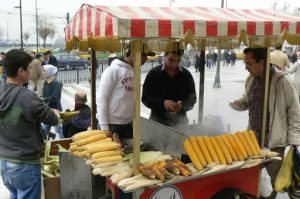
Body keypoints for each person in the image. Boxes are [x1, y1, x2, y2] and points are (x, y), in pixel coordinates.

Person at [229, 47, 300, 199]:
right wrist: (240, 104)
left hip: (273, 140)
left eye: (249, 63)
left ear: (262, 62)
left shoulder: (282, 81)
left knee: (276, 181)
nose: (246, 67)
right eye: (244, 63)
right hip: (252, 137)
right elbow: (248, 101)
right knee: (252, 176)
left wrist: (294, 143)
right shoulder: (251, 79)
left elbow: (295, 113)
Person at [0, 49, 60, 199]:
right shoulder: (28, 97)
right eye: (29, 68)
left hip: (5, 162)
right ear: (21, 71)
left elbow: (14, 116)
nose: (31, 70)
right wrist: (56, 114)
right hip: (24, 163)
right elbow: (52, 119)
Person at [96, 45, 153, 141]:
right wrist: (104, 127)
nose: (146, 59)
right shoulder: (113, 70)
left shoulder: (134, 72)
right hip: (112, 125)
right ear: (133, 54)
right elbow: (102, 98)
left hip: (128, 124)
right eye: (144, 55)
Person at [142, 49, 196, 127]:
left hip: (181, 125)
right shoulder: (153, 74)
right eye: (171, 60)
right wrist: (163, 104)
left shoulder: (186, 75)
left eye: (178, 61)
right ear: (165, 57)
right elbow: (145, 99)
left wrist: (182, 105)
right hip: (157, 124)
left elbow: (192, 100)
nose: (174, 64)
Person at [42, 64, 63, 139]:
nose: (43, 72)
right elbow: (44, 96)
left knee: (59, 129)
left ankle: (65, 145)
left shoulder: (56, 83)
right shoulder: (46, 82)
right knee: (45, 129)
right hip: (48, 109)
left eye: (44, 71)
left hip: (56, 110)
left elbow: (55, 97)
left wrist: (44, 99)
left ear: (50, 72)